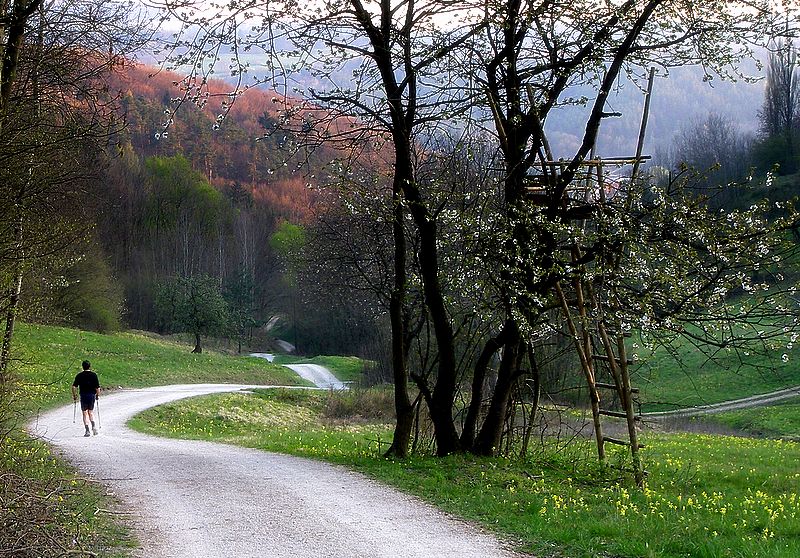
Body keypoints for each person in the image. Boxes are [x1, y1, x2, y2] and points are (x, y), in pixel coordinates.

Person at [72, 360, 101, 437]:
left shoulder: (79, 375)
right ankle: (94, 426)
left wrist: (74, 395)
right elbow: (97, 387)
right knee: (90, 412)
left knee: (85, 413)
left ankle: (87, 430)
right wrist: (97, 395)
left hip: (83, 395)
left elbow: (74, 386)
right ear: (90, 366)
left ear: (82, 367)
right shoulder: (94, 375)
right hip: (91, 395)